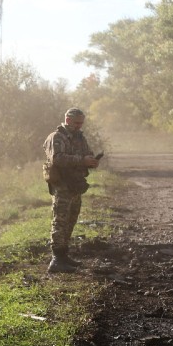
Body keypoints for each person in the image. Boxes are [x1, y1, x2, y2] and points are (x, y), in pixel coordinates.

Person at [42, 108, 100, 273]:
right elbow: (57, 159)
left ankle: (64, 256)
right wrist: (82, 160)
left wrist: (92, 160)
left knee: (71, 220)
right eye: (76, 123)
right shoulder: (56, 137)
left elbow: (87, 153)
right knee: (60, 221)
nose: (79, 126)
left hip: (75, 184)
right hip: (62, 185)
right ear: (67, 120)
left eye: (81, 123)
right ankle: (56, 259)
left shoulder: (79, 137)